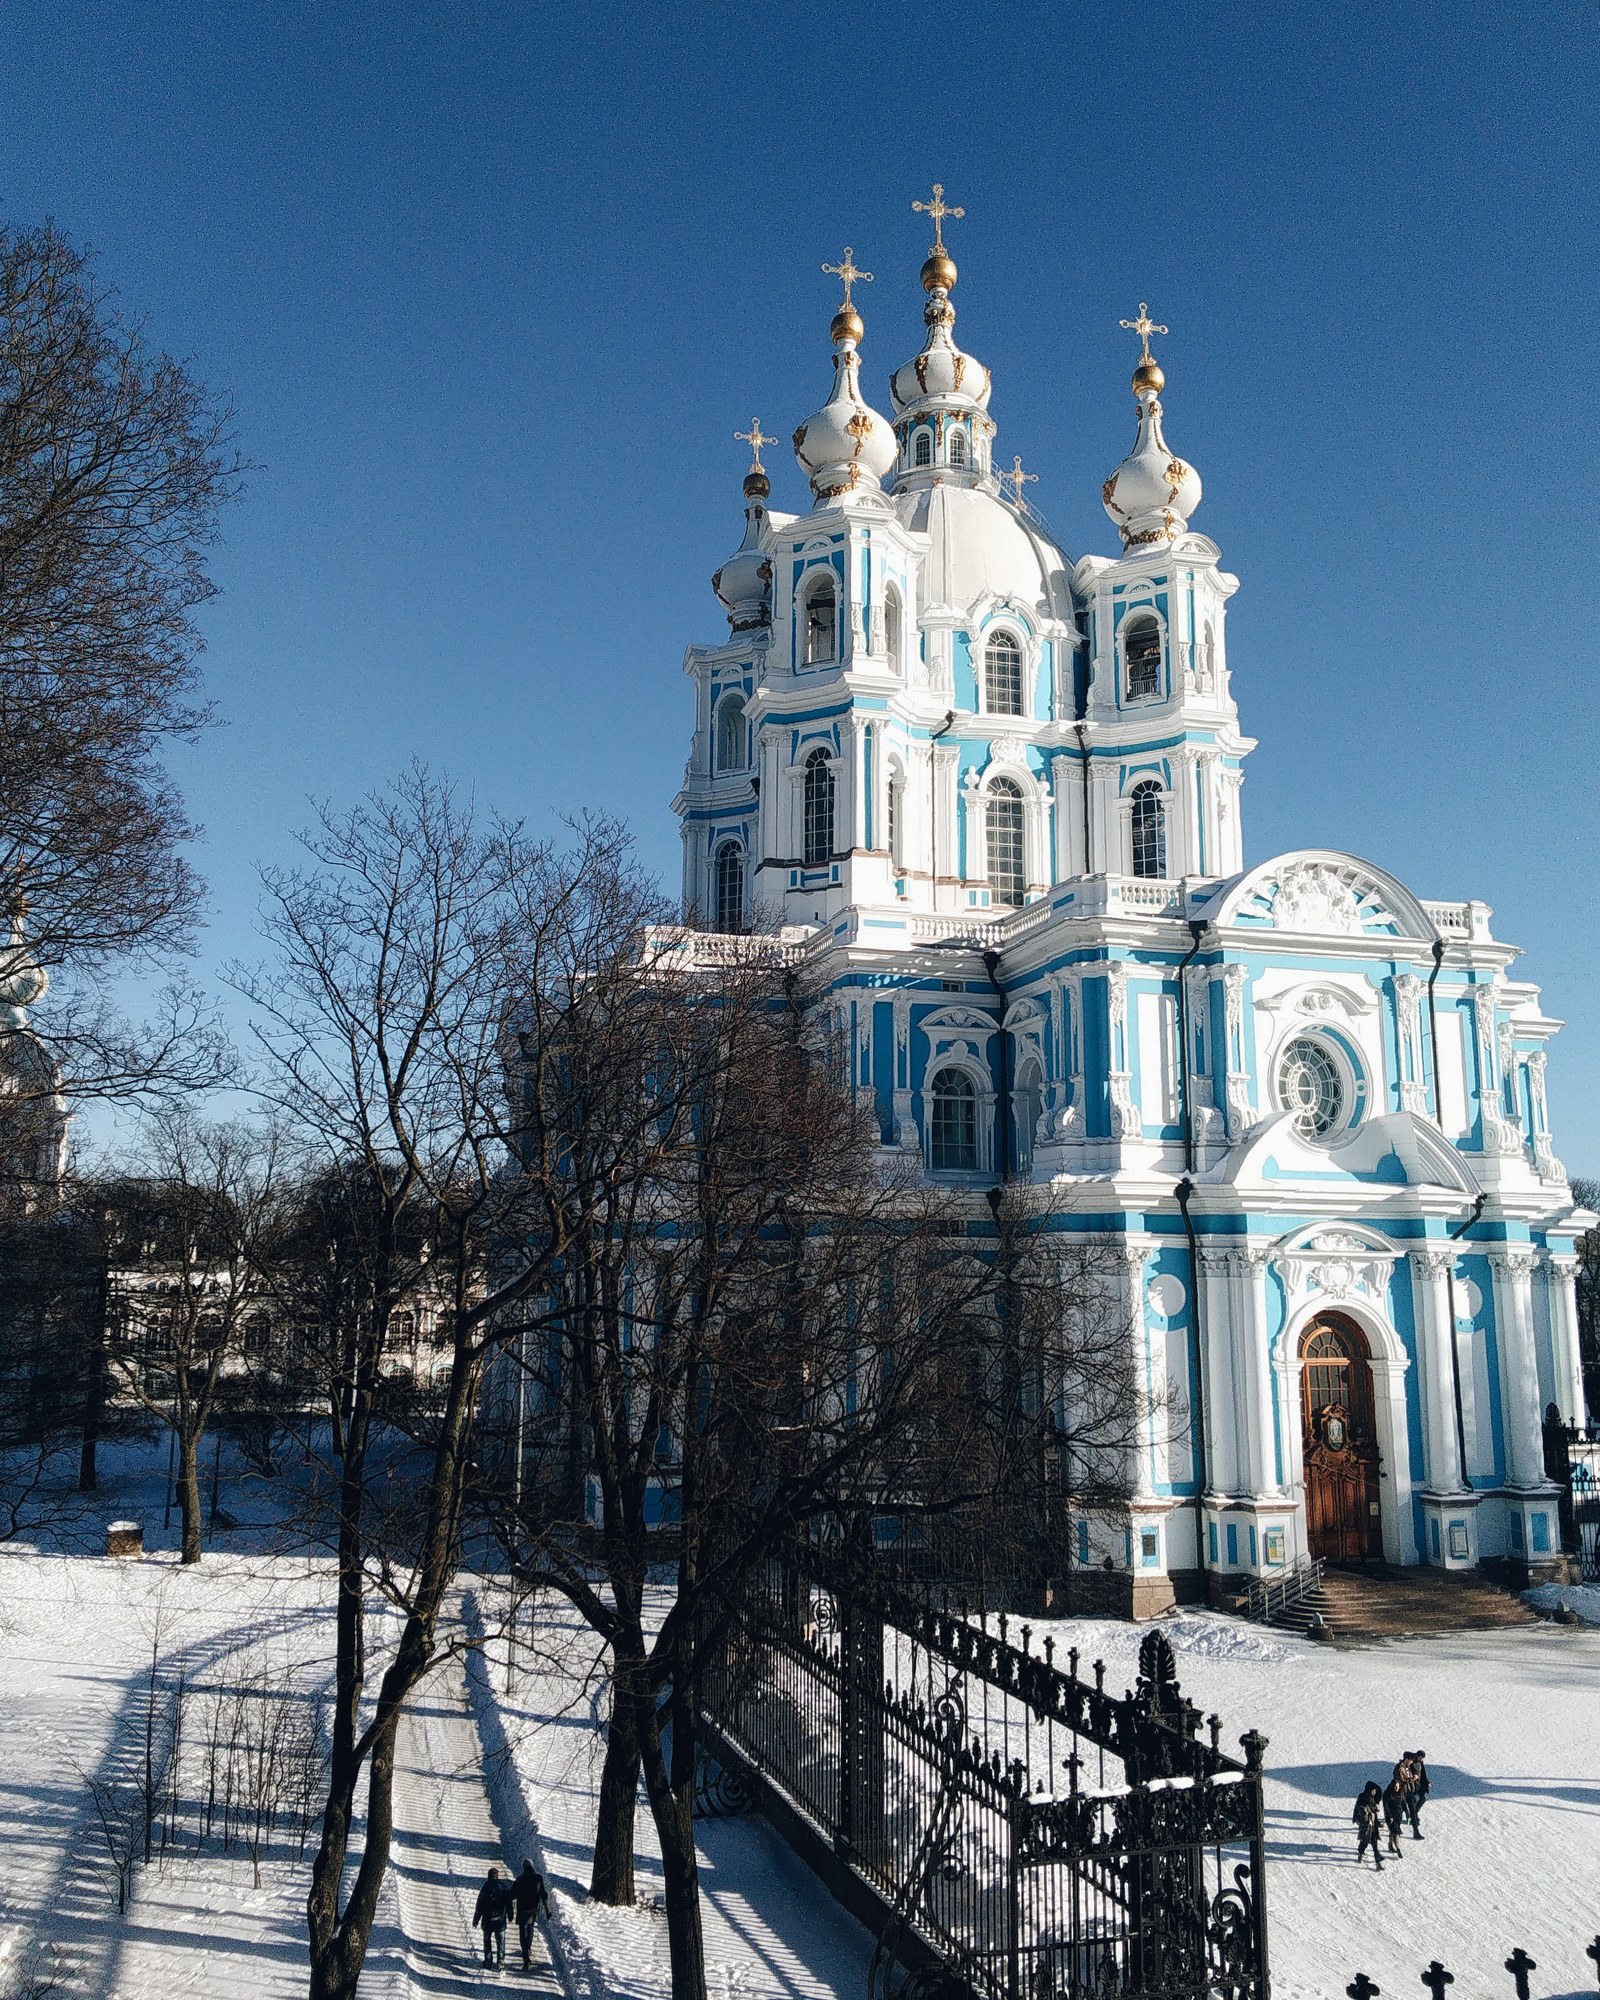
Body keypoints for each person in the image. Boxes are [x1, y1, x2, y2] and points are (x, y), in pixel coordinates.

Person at [512, 1859, 550, 1971]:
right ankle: (528, 1948)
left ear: (524, 1868)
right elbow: (544, 1894)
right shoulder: (538, 1878)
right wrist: (548, 1910)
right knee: (530, 1928)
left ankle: (526, 1959)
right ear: (532, 1867)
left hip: (522, 1910)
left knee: (522, 1933)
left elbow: (512, 1895)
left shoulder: (519, 1880)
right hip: (533, 1910)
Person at [473, 1865, 510, 1969]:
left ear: (488, 1877)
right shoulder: (503, 1887)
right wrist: (510, 1914)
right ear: (497, 1876)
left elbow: (479, 1905)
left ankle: (488, 1961)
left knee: (487, 1940)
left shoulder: (486, 1887)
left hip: (487, 1920)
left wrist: (476, 1919)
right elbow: (508, 1902)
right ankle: (501, 1961)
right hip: (500, 1920)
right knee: (500, 1941)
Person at [1353, 1780, 1384, 1870]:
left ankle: (1374, 1860)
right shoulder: (1369, 1798)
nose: (1374, 1792)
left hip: (1367, 1824)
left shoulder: (1362, 1796)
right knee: (1368, 1842)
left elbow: (1356, 1807)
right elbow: (1373, 1811)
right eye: (1373, 1790)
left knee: (1367, 1842)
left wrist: (1354, 1818)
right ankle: (1365, 1855)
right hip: (1368, 1825)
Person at [1403, 1750, 1431, 1838]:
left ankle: (1414, 1814)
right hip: (1412, 1786)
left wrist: (1427, 1782)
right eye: (1420, 1757)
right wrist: (1413, 1779)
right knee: (1413, 1803)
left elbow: (1423, 1774)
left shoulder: (1420, 1762)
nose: (1421, 1759)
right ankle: (1413, 1818)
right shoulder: (1410, 1763)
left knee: (1423, 1799)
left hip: (1419, 1785)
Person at [1381, 1774, 1407, 1857]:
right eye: (1395, 1786)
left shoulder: (1400, 1793)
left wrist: (1407, 1813)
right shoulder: (1387, 1794)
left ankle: (1390, 1845)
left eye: (1398, 1786)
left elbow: (1403, 1804)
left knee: (1393, 1831)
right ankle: (1398, 1849)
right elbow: (1386, 1806)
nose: (1397, 1788)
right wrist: (1389, 1815)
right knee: (1396, 1832)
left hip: (1398, 1816)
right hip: (1390, 1817)